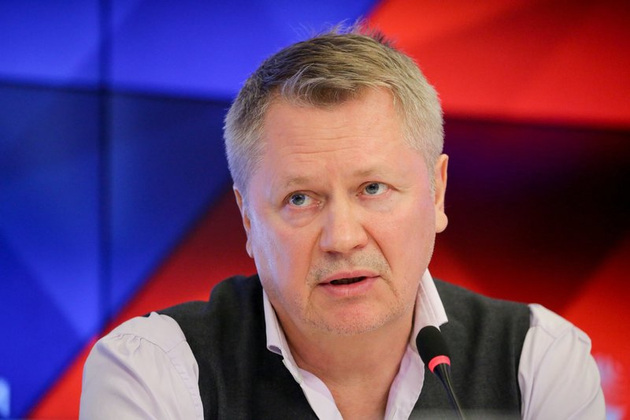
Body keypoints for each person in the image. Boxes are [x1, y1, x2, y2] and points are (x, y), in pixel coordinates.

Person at [80, 25, 605, 419]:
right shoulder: (154, 368)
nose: (343, 238)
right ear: (247, 219)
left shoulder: (538, 360)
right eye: (300, 198)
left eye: (372, 189)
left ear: (437, 191)